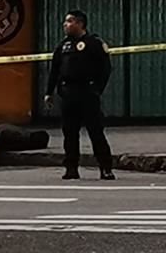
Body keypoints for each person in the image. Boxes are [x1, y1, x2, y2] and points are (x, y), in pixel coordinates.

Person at [44, 9, 115, 181]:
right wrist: (49, 92)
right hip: (68, 94)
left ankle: (106, 168)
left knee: (96, 132)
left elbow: (105, 69)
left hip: (88, 94)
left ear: (80, 23)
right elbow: (55, 70)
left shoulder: (94, 43)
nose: (65, 25)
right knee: (69, 133)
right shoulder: (63, 46)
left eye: (69, 21)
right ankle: (71, 168)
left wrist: (97, 89)